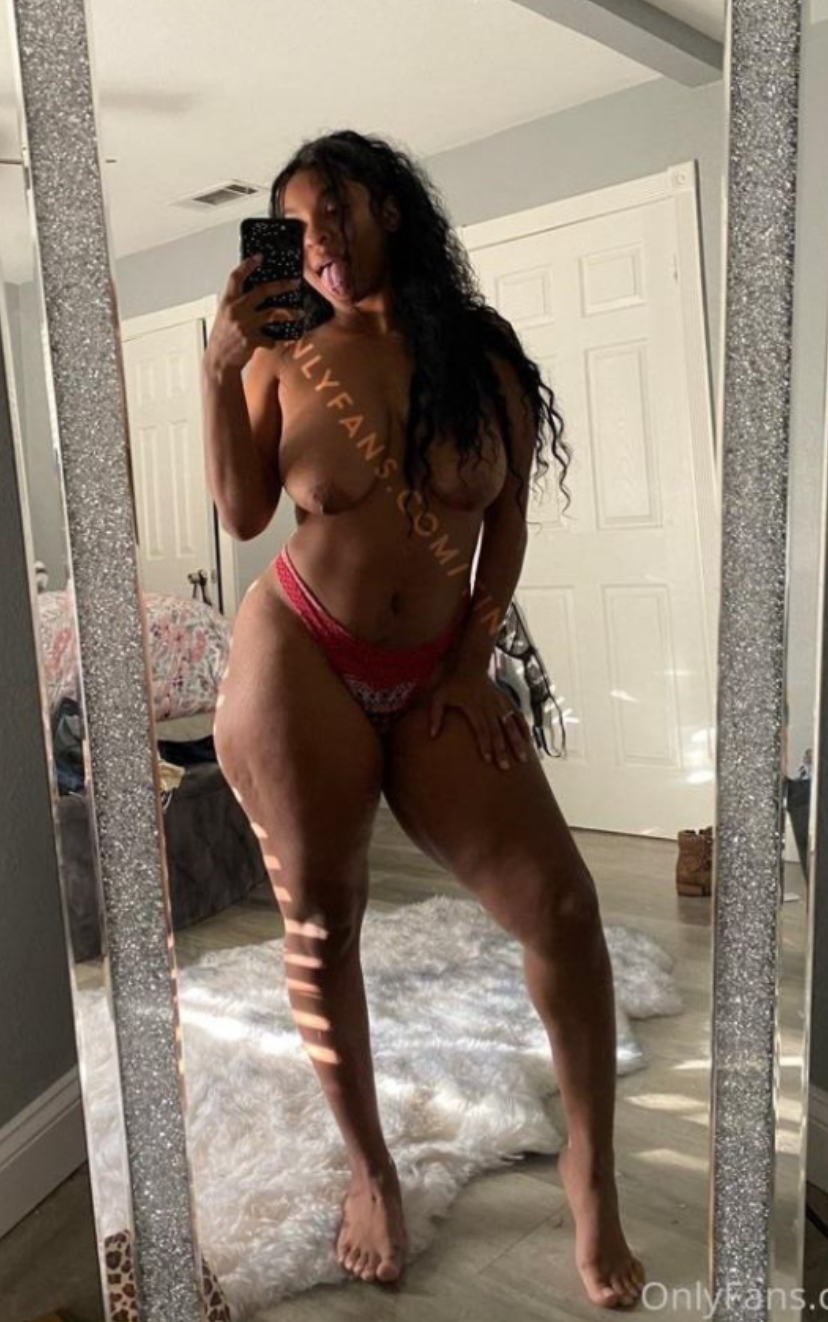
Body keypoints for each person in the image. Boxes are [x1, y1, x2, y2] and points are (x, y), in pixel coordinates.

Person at [203, 129, 645, 1307]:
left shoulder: (479, 356)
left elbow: (505, 521)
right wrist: (218, 369)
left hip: (436, 671)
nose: (319, 242)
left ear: (390, 209)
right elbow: (244, 511)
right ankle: (371, 1173)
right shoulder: (282, 350)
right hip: (302, 649)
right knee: (323, 918)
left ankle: (592, 1171)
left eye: (337, 210)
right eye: (297, 228)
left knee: (563, 906)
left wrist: (469, 662)